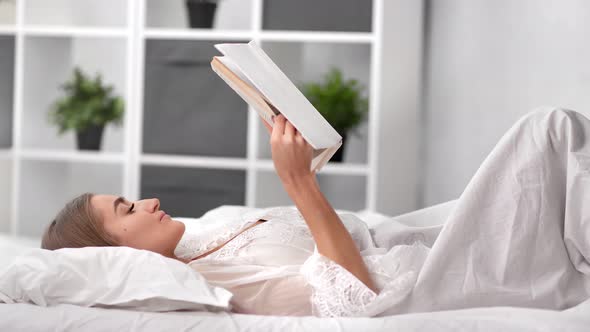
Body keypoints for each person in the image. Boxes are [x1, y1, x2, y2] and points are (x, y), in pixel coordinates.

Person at [41, 108, 590, 317]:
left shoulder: (202, 234)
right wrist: (298, 181)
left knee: (556, 149)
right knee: (547, 133)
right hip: (431, 276)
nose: (148, 201)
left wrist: (304, 155)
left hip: (411, 233)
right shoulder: (212, 287)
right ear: (115, 251)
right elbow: (353, 297)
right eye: (126, 209)